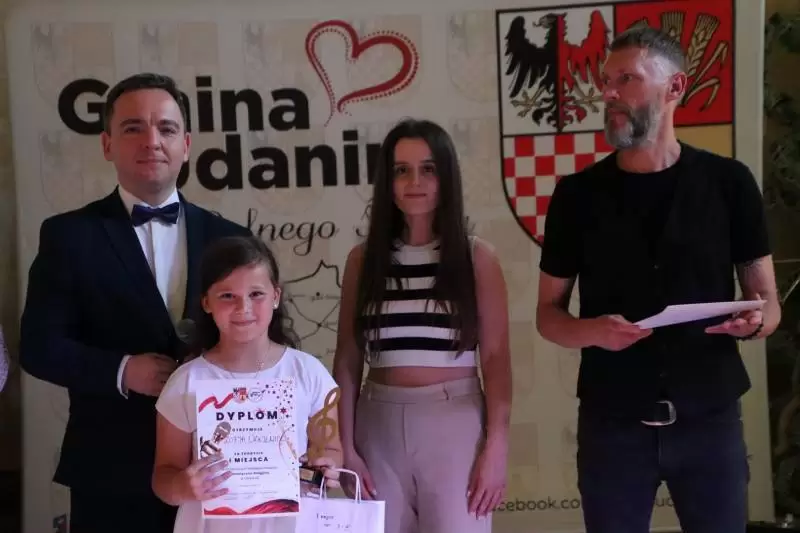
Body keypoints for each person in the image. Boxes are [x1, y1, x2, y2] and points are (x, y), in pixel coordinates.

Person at [536, 26, 781, 533]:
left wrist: (755, 322)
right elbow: (547, 316)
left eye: (626, 79)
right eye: (606, 81)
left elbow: (769, 304)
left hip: (710, 423)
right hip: (612, 427)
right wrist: (593, 331)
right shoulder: (576, 196)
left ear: (675, 87)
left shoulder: (730, 183)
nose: (608, 93)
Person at [19, 73, 251, 533]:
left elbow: (260, 340)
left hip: (219, 470)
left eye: (166, 128)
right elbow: (38, 347)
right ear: (107, 144)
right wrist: (123, 370)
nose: (152, 141)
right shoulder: (68, 235)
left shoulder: (232, 239)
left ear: (186, 144)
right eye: (133, 128)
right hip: (111, 471)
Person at [333, 118, 512, 533]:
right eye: (402, 170)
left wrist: (496, 447)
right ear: (387, 181)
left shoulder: (476, 258)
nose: (415, 181)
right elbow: (347, 358)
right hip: (376, 424)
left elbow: (496, 359)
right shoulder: (363, 261)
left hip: (454, 423)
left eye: (428, 169)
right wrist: (346, 448)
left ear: (446, 176)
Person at [152, 235, 342, 533]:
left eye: (256, 294)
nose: (243, 307)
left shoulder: (308, 373)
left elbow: (330, 450)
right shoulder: (187, 381)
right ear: (206, 302)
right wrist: (181, 486)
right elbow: (163, 477)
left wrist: (326, 468)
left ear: (276, 296)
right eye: (227, 296)